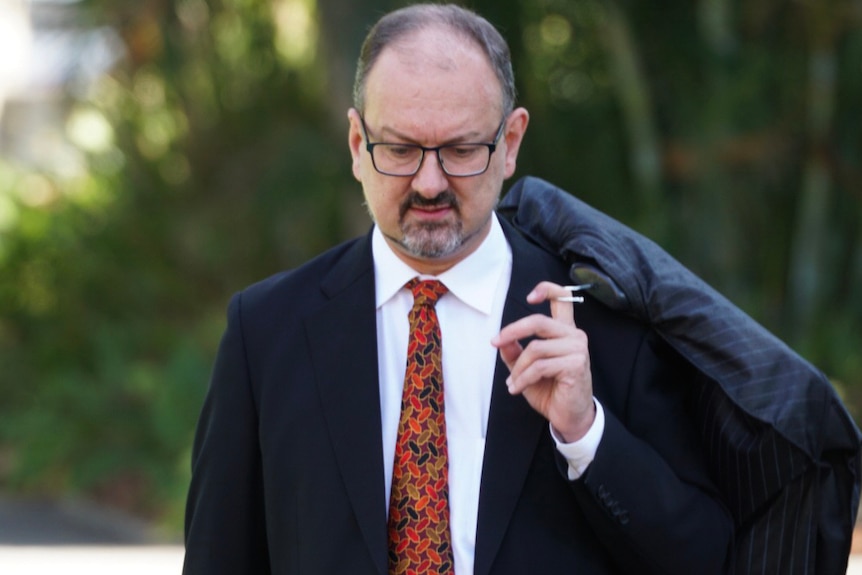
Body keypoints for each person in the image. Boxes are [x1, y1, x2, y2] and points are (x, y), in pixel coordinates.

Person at [182, 4, 738, 574]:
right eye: (399, 150)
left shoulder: (602, 323)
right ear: (356, 144)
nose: (429, 183)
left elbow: (706, 556)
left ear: (511, 141)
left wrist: (586, 434)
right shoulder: (267, 330)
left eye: (462, 150)